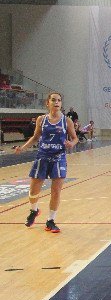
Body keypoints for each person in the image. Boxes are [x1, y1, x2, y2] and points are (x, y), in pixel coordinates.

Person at [15, 92, 78, 233]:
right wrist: (23, 147)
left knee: (56, 192)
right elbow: (35, 137)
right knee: (33, 191)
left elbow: (75, 138)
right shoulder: (41, 119)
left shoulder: (66, 121)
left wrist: (71, 144)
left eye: (59, 100)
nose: (57, 102)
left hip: (59, 158)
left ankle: (50, 220)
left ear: (61, 104)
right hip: (42, 157)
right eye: (54, 100)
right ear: (47, 103)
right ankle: (34, 210)